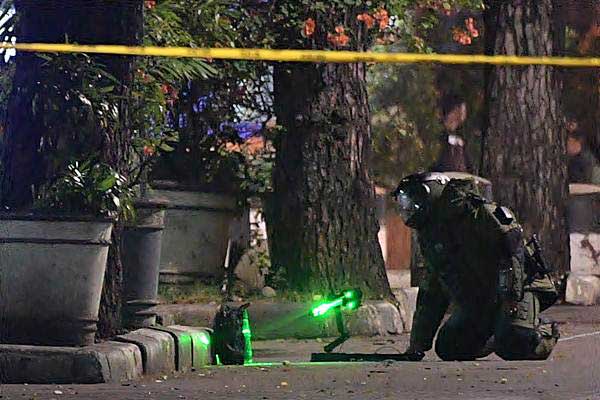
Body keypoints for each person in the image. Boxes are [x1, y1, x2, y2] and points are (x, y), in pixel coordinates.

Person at [392, 172, 560, 361]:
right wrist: (418, 345)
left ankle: (543, 331)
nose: (410, 208)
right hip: (480, 300)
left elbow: (511, 253)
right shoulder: (431, 236)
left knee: (514, 342)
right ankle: (497, 333)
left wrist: (511, 297)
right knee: (450, 347)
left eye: (414, 199)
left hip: (521, 289)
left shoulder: (478, 213)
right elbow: (432, 291)